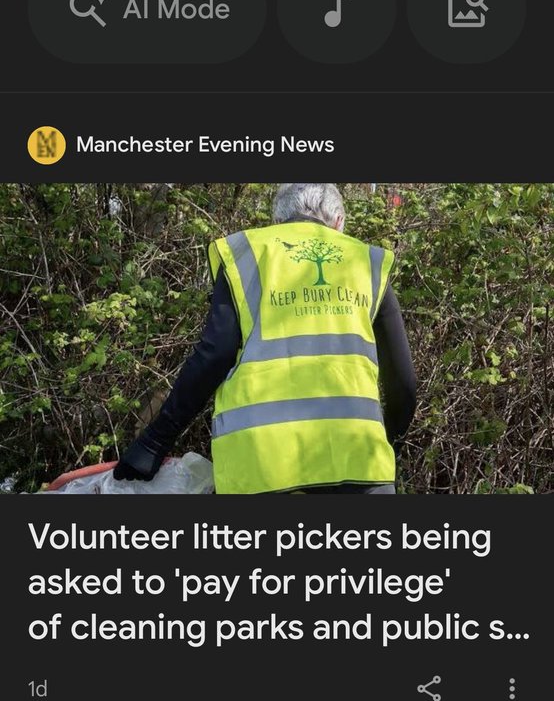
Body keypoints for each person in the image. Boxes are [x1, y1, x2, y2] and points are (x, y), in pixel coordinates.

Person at [114, 183, 416, 493]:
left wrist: (154, 442)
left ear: (277, 220)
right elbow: (404, 386)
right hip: (359, 466)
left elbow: (214, 356)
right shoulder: (366, 261)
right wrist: (384, 443)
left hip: (262, 469)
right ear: (339, 222)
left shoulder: (247, 254)